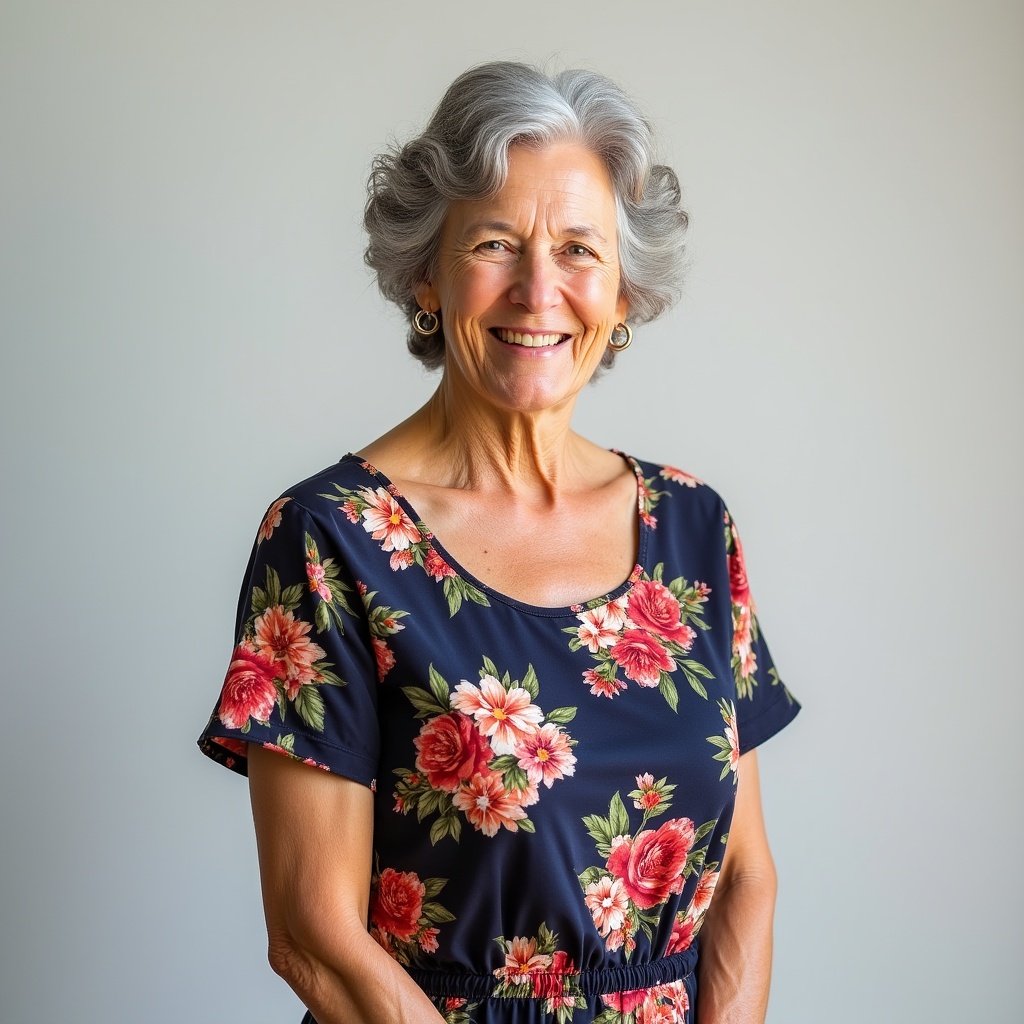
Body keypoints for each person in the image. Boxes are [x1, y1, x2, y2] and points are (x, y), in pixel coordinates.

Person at [198, 61, 800, 1024]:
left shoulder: (694, 526)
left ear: (623, 294)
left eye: (578, 250)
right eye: (494, 244)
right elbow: (313, 933)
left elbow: (746, 880)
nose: (538, 289)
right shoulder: (329, 538)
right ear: (426, 275)